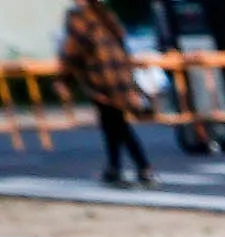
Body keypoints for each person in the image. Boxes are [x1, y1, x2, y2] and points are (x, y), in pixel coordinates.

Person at [59, 0, 161, 184]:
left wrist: (64, 79)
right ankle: (115, 168)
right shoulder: (104, 13)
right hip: (120, 75)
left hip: (101, 77)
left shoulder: (78, 17)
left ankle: (143, 167)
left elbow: (73, 50)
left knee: (117, 125)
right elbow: (121, 41)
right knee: (112, 123)